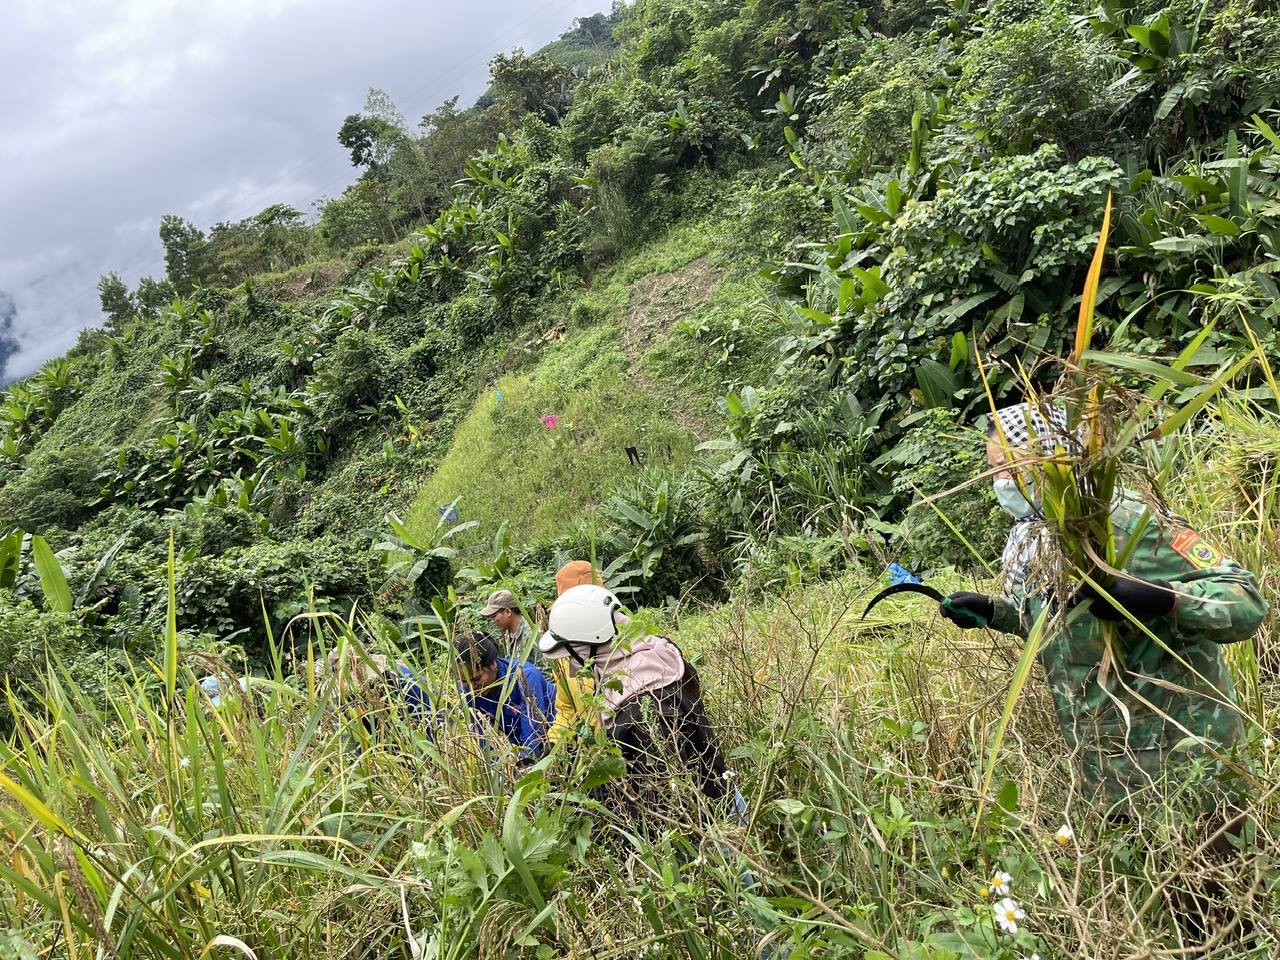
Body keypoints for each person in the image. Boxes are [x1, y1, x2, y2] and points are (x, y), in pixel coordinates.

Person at [939, 402, 1266, 810]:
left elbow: (1245, 601)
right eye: (993, 470)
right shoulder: (1036, 539)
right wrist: (997, 612)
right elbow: (1062, 623)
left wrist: (1163, 599)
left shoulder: (1128, 519)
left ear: (1052, 457)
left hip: (1186, 754)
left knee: (1212, 867)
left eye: (1007, 467)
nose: (1000, 480)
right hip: (1104, 763)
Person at [539, 584, 729, 809]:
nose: (572, 667)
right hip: (721, 797)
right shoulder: (657, 654)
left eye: (572, 655)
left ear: (591, 645)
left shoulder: (644, 710)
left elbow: (665, 800)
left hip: (710, 819)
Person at [456, 631, 556, 761]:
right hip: (524, 742)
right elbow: (482, 739)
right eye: (464, 681)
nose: (471, 687)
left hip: (557, 736)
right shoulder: (468, 693)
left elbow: (532, 735)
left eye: (476, 679)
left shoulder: (525, 676)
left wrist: (524, 763)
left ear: (493, 665)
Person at [545, 561, 604, 745]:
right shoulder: (564, 656)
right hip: (594, 760)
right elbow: (566, 710)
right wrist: (553, 745)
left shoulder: (628, 646)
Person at [480, 589, 533, 658]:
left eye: (494, 616)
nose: (493, 621)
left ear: (508, 612)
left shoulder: (530, 636)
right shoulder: (508, 634)